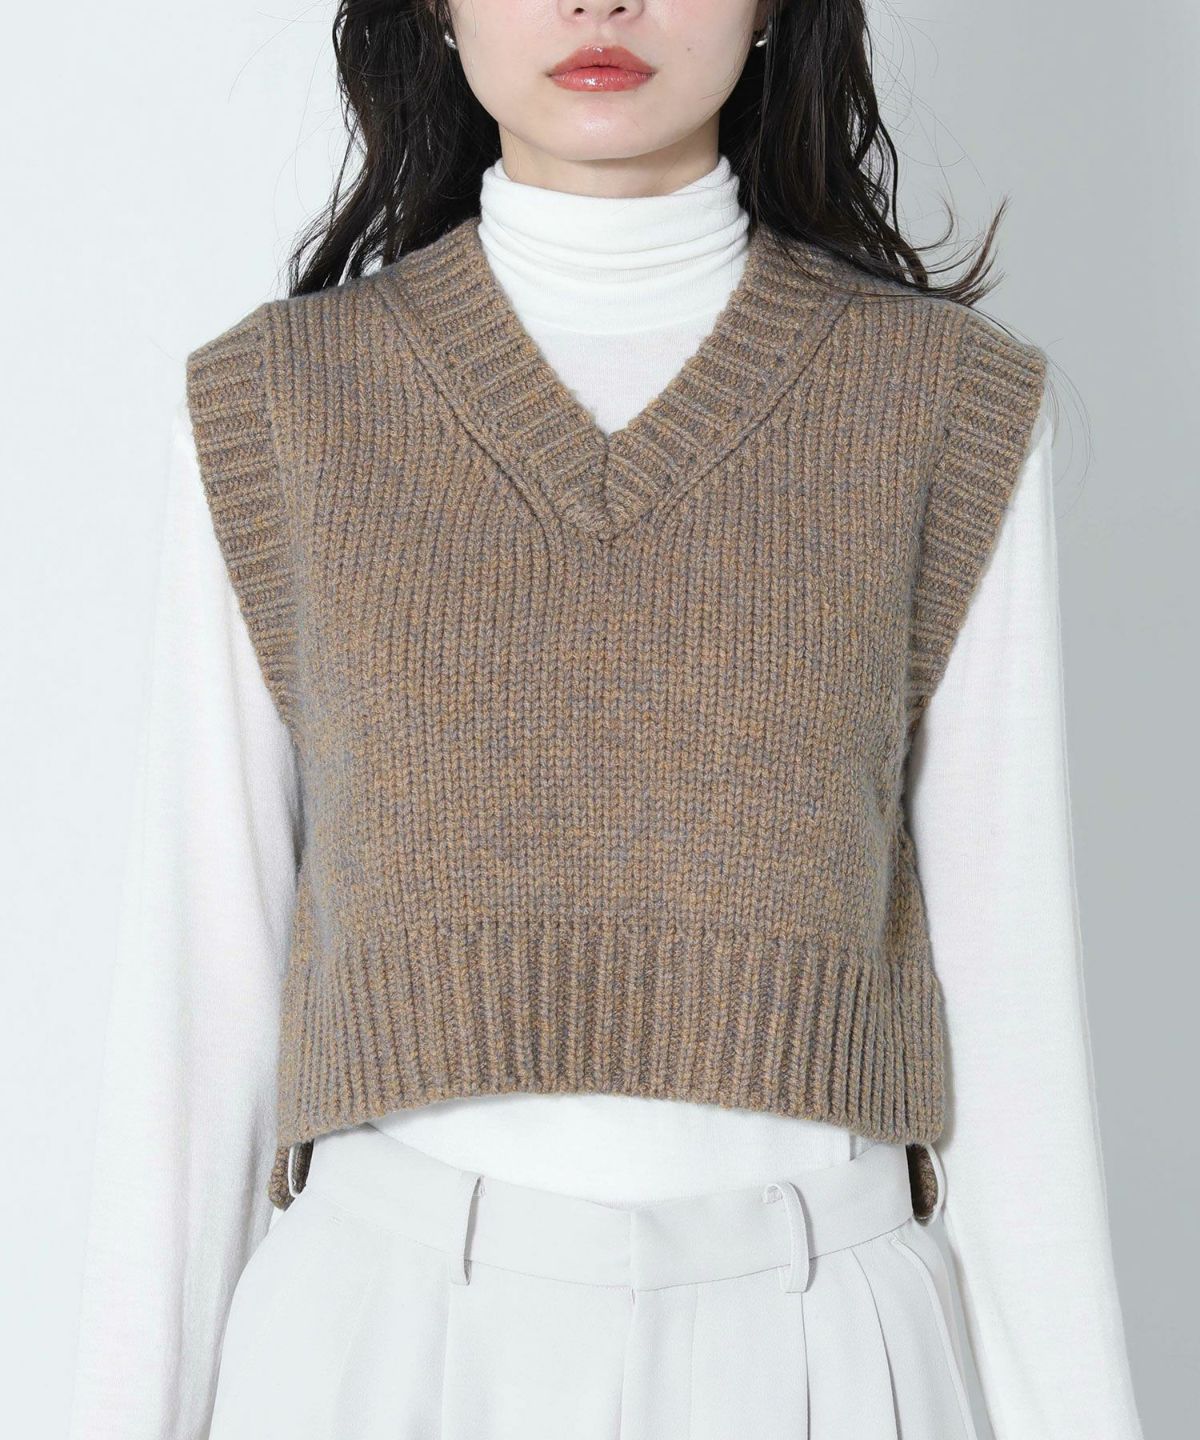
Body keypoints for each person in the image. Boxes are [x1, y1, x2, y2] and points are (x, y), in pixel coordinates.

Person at [67, 2, 1146, 1437]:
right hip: (379, 1349)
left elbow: (1013, 1034)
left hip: (825, 1346)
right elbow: (199, 1032)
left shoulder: (946, 404)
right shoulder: (279, 407)